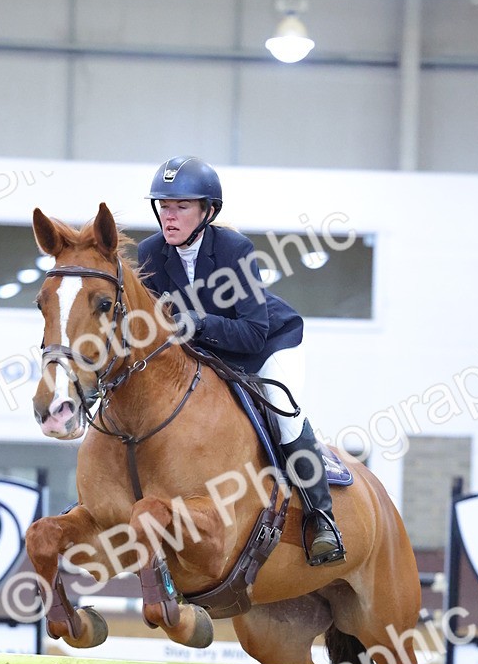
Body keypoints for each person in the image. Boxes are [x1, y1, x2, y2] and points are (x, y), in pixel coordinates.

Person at [137, 154, 345, 566]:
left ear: (207, 211)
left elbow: (252, 333)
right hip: (206, 357)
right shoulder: (150, 254)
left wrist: (195, 322)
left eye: (181, 206)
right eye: (164, 206)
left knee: (283, 413)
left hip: (269, 345)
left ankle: (322, 519)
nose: (169, 217)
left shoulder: (234, 249)